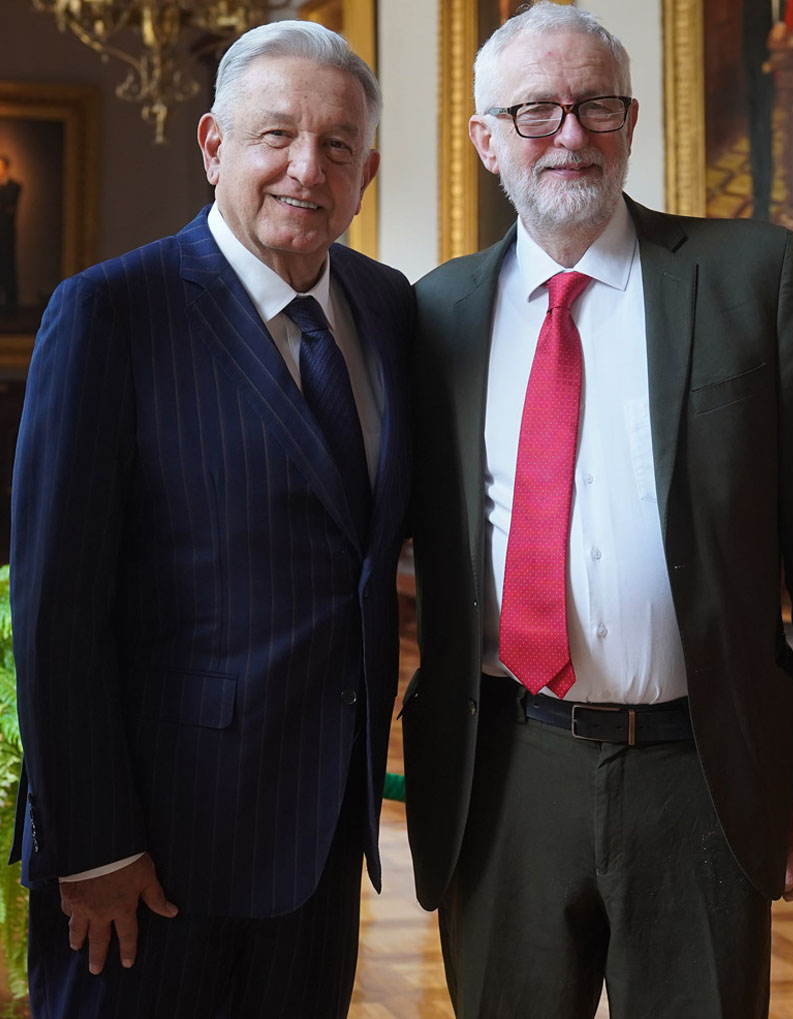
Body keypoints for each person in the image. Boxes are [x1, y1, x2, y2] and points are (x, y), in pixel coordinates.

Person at [402, 4, 793, 1018]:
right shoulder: (433, 312)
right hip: (504, 771)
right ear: (487, 141)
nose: (568, 133)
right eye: (534, 111)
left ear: (632, 120)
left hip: (698, 772)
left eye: (595, 105)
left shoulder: (750, 277)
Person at [10, 19, 412, 1019]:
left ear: (368, 169)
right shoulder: (110, 313)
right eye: (275, 135)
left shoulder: (391, 309)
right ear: (212, 144)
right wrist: (93, 838)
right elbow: (58, 607)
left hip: (319, 847)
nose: (304, 168)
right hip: (148, 855)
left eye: (336, 145)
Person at [0, 155, 21, 317]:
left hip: (6, 237)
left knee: (8, 271)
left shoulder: (14, 187)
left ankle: (11, 310)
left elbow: (9, 206)